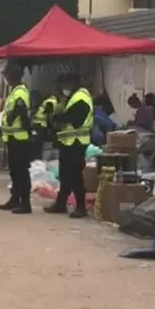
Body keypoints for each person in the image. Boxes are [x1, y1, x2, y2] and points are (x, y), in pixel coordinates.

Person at [44, 73, 94, 218]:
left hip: (76, 143)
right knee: (65, 175)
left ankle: (80, 207)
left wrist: (58, 117)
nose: (62, 88)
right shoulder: (71, 98)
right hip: (68, 142)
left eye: (63, 85)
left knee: (75, 176)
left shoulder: (81, 97)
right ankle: (61, 204)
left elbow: (75, 119)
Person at [0, 63, 33, 214]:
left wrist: (12, 119)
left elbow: (21, 112)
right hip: (12, 138)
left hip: (20, 139)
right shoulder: (13, 91)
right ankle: (15, 199)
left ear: (12, 76)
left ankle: (25, 203)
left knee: (21, 172)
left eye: (6, 75)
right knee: (14, 172)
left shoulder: (20, 92)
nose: (5, 78)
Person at [32, 91, 58, 160]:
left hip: (37, 124)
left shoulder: (47, 101)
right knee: (40, 143)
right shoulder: (52, 102)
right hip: (40, 124)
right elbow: (49, 114)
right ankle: (38, 159)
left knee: (39, 143)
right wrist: (51, 126)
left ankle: (38, 158)